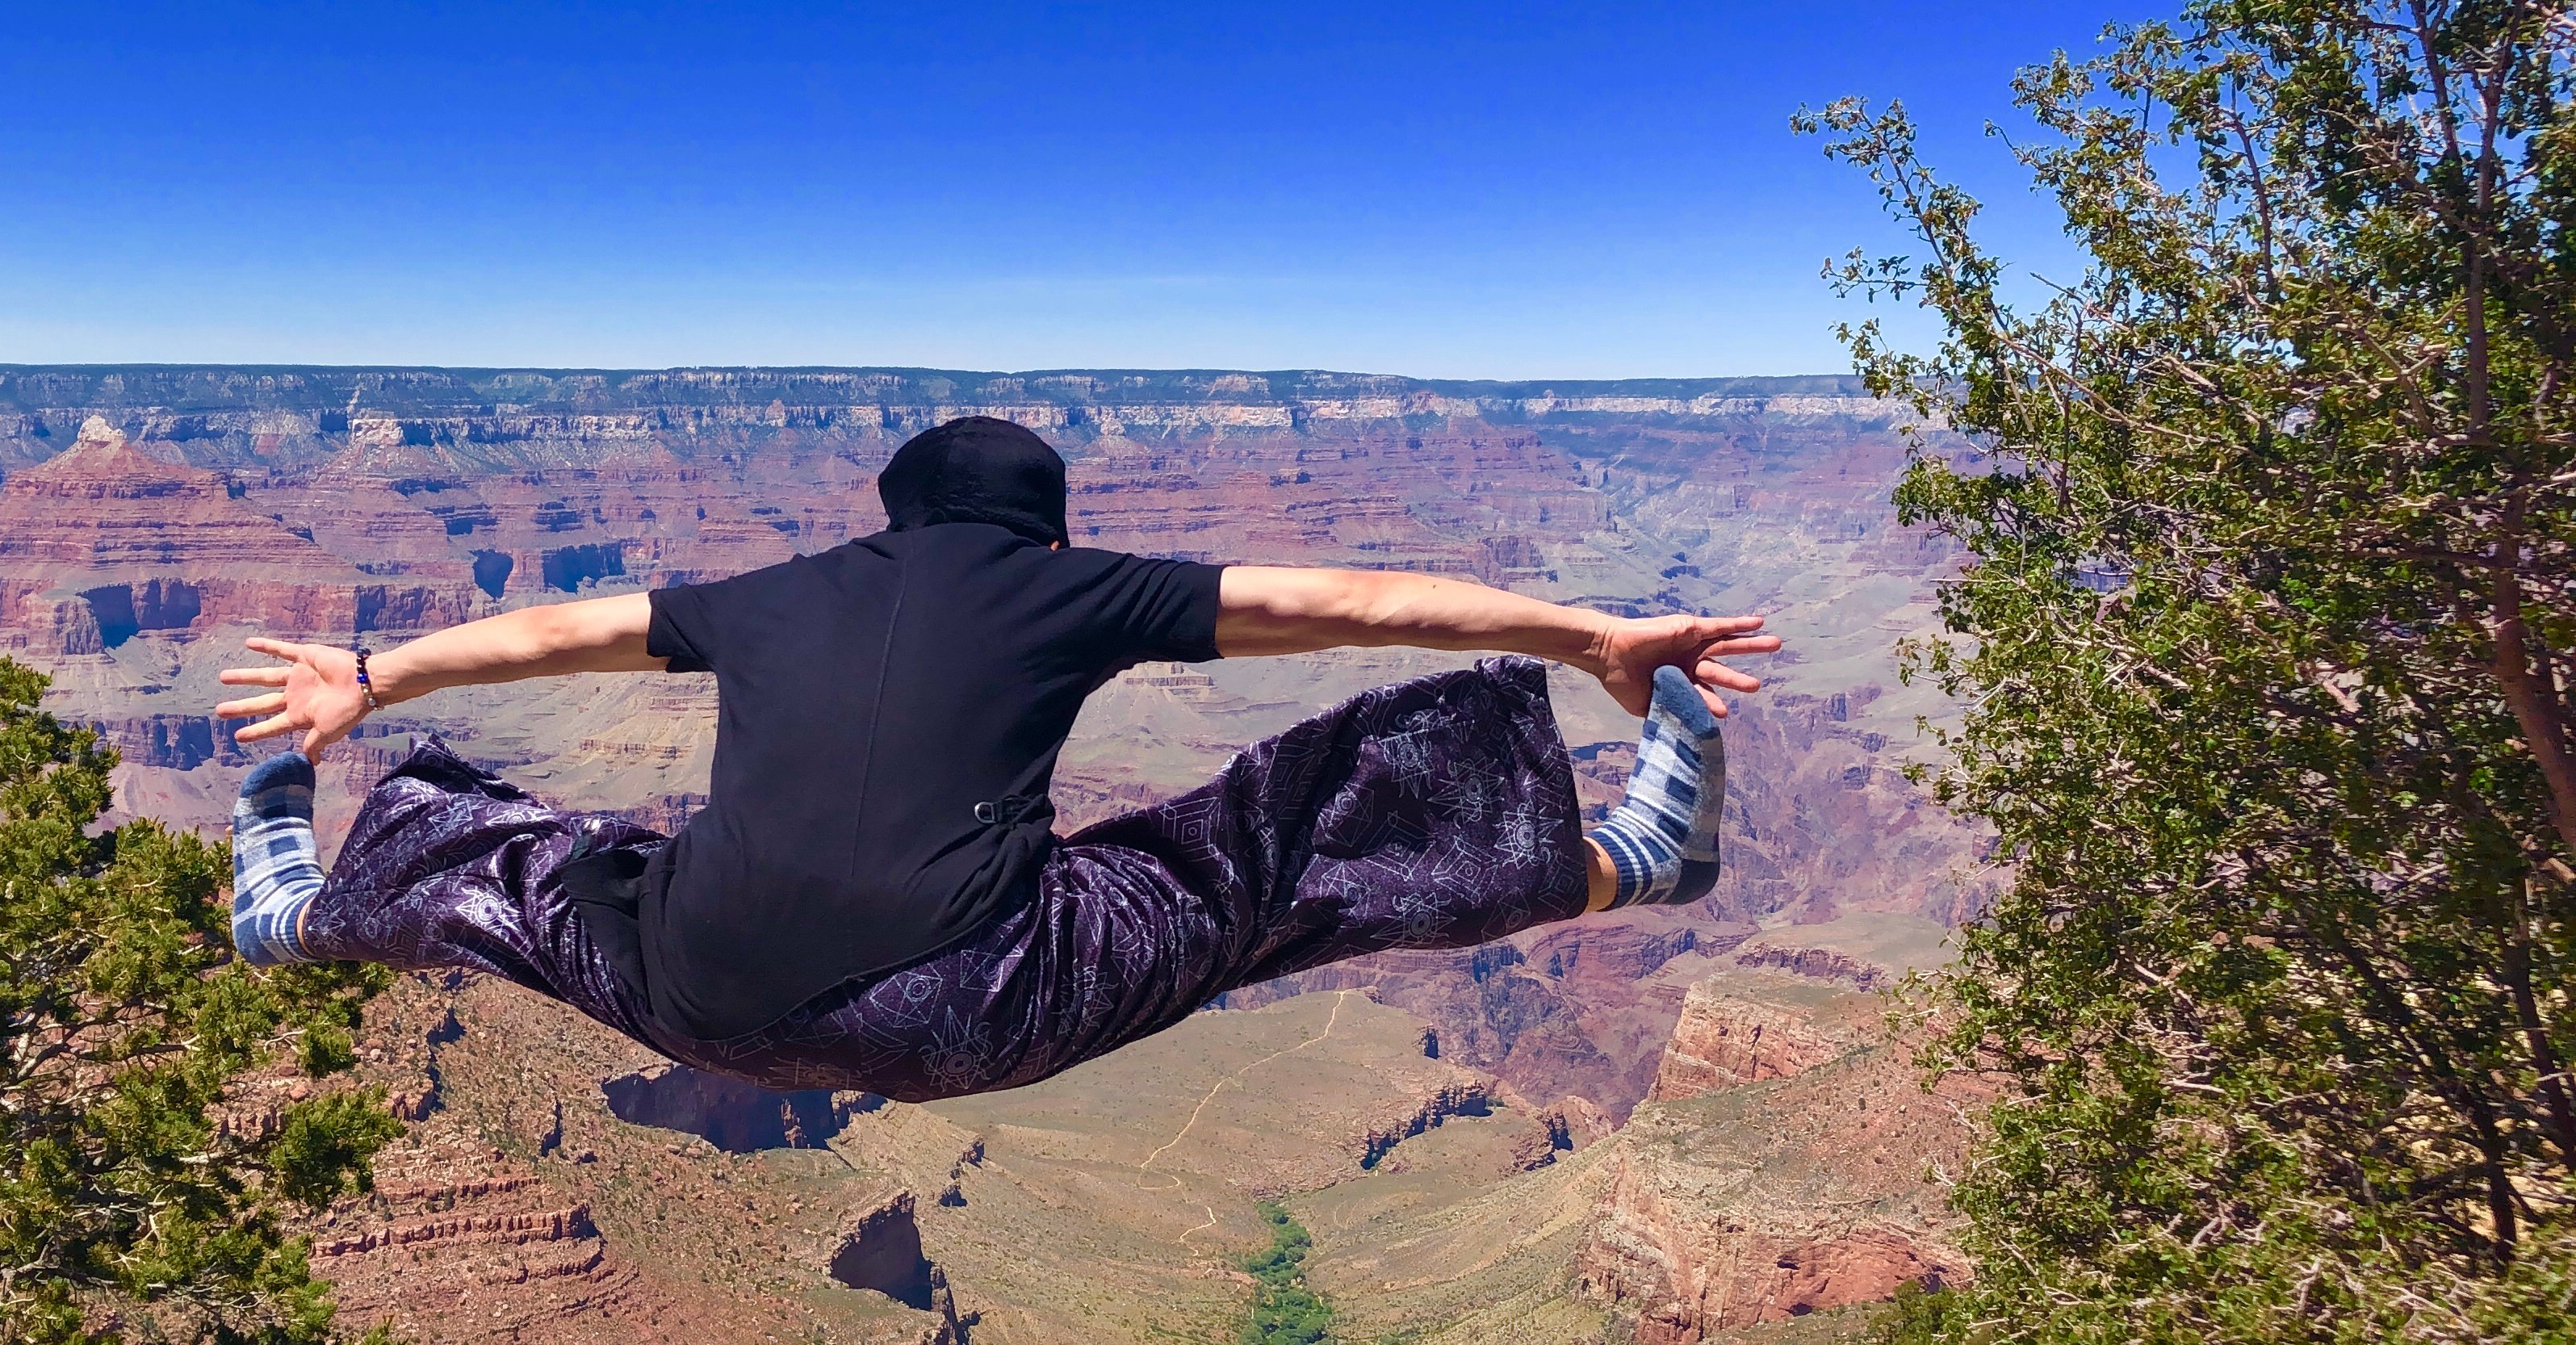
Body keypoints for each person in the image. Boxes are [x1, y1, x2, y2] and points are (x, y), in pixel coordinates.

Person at [213, 417, 1774, 1104]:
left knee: (530, 868)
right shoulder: (1069, 583)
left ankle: (290, 912)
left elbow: (555, 637)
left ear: (891, 514)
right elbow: (1353, 604)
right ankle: (1631, 860)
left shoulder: (761, 593)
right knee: (1271, 846)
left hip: (697, 997)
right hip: (983, 1006)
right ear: (1049, 525)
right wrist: (1589, 640)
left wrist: (370, 674)